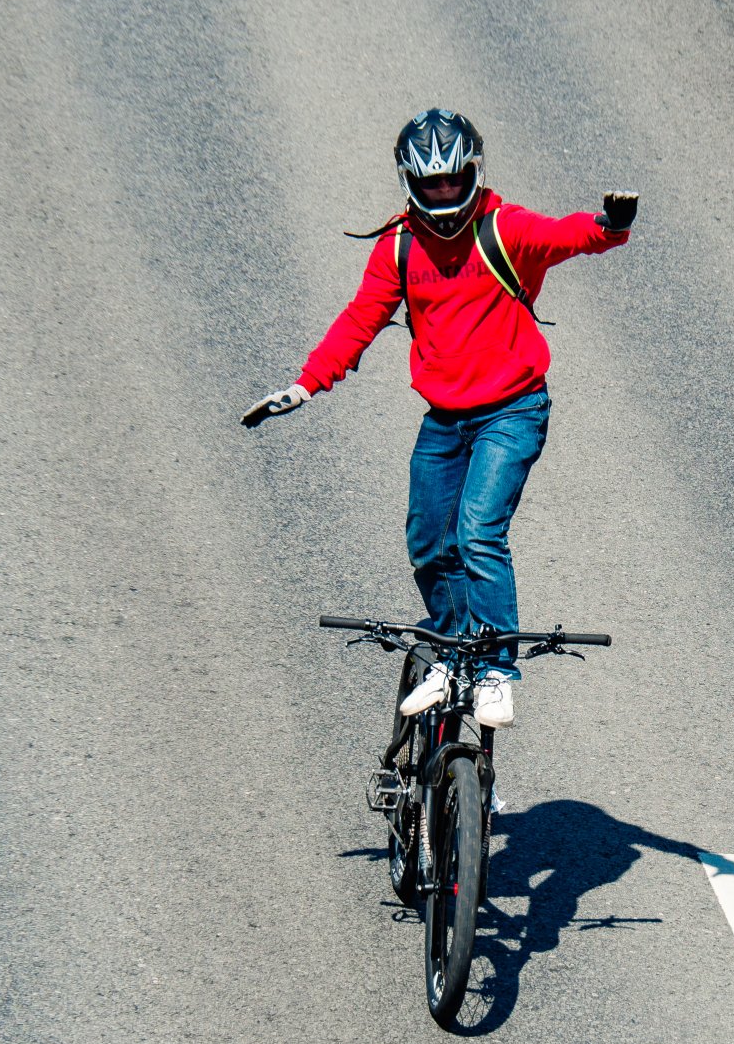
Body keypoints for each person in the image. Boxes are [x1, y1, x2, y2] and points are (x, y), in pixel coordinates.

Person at [242, 107, 637, 729]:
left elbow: (567, 235)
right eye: (431, 185)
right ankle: (452, 653)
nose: (444, 193)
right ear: (410, 184)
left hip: (512, 410)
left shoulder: (505, 229)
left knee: (478, 529)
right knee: (429, 541)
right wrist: (306, 384)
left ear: (473, 174)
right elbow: (359, 321)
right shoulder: (400, 247)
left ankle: (499, 671)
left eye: (454, 180)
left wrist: (610, 224)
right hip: (445, 420)